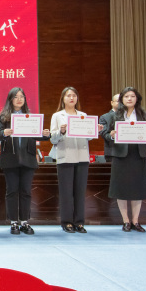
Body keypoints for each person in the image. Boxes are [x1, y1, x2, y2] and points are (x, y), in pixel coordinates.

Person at [0, 87, 50, 236]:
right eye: (16, 97)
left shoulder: (30, 117)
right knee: (12, 190)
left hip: (28, 158)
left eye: (22, 96)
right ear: (10, 99)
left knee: (26, 191)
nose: (19, 99)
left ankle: (25, 221)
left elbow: (36, 135)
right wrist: (4, 132)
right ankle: (14, 222)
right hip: (10, 159)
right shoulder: (4, 117)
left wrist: (45, 134)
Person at [50, 86, 102, 234]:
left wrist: (95, 131)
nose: (71, 98)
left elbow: (88, 137)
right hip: (65, 157)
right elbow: (52, 138)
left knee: (80, 192)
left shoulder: (83, 115)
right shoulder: (57, 116)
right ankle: (66, 222)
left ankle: (79, 222)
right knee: (66, 192)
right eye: (68, 95)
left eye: (74, 95)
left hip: (82, 157)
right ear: (63, 99)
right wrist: (61, 131)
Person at [106, 87, 146, 233]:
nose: (129, 99)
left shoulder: (143, 114)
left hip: (138, 155)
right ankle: (126, 221)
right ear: (122, 99)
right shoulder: (115, 116)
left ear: (137, 99)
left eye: (132, 96)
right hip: (121, 156)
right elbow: (107, 135)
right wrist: (112, 135)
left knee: (137, 188)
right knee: (121, 188)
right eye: (126, 96)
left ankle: (135, 221)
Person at [98, 94, 120, 162]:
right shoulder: (105, 117)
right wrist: (111, 136)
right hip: (113, 153)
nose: (120, 103)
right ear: (112, 103)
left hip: (130, 154)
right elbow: (104, 134)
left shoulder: (129, 116)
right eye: (118, 101)